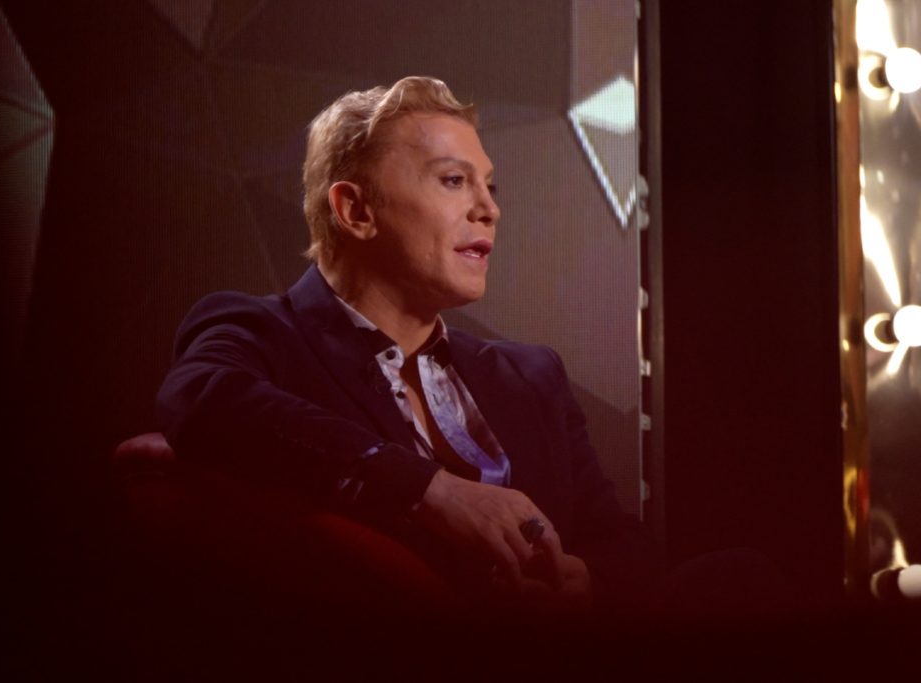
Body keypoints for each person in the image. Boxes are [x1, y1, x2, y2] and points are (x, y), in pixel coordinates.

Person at [156, 76, 656, 617]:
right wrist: (431, 491)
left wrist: (586, 583)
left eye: (489, 186)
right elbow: (203, 401)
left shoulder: (531, 376)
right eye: (453, 180)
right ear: (356, 210)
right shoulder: (262, 334)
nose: (489, 209)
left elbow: (620, 544)